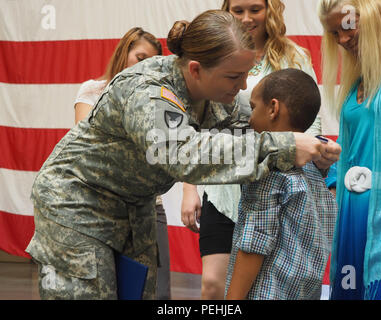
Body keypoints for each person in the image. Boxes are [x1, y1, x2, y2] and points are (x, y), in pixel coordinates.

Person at [26, 9, 339, 300]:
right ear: (196, 69)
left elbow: (260, 118)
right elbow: (184, 153)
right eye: (234, 77)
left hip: (133, 209)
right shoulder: (148, 91)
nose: (243, 85)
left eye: (245, 74)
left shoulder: (213, 92)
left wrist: (316, 145)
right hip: (78, 207)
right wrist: (284, 147)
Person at [181, 0, 324, 300]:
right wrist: (189, 189)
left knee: (270, 276)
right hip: (222, 187)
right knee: (212, 286)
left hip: (275, 177)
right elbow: (193, 129)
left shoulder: (294, 56)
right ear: (227, 11)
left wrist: (314, 156)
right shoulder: (215, 54)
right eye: (238, 10)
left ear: (270, 10)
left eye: (255, 9)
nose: (247, 18)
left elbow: (311, 123)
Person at [73, 27, 170, 300]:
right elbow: (86, 144)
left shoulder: (160, 101)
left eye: (151, 61)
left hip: (149, 208)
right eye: (139, 57)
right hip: (101, 208)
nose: (145, 66)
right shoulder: (93, 90)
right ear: (123, 53)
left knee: (155, 294)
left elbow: (162, 154)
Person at [225, 68, 337, 300]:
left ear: (273, 109)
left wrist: (231, 301)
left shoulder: (269, 168)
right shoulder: (315, 172)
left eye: (254, 108)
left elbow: (254, 244)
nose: (249, 117)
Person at [318, 0, 381, 299]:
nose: (342, 39)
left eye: (348, 26)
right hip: (353, 212)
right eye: (334, 33)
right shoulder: (358, 84)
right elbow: (351, 148)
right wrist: (333, 173)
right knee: (352, 286)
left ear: (376, 17)